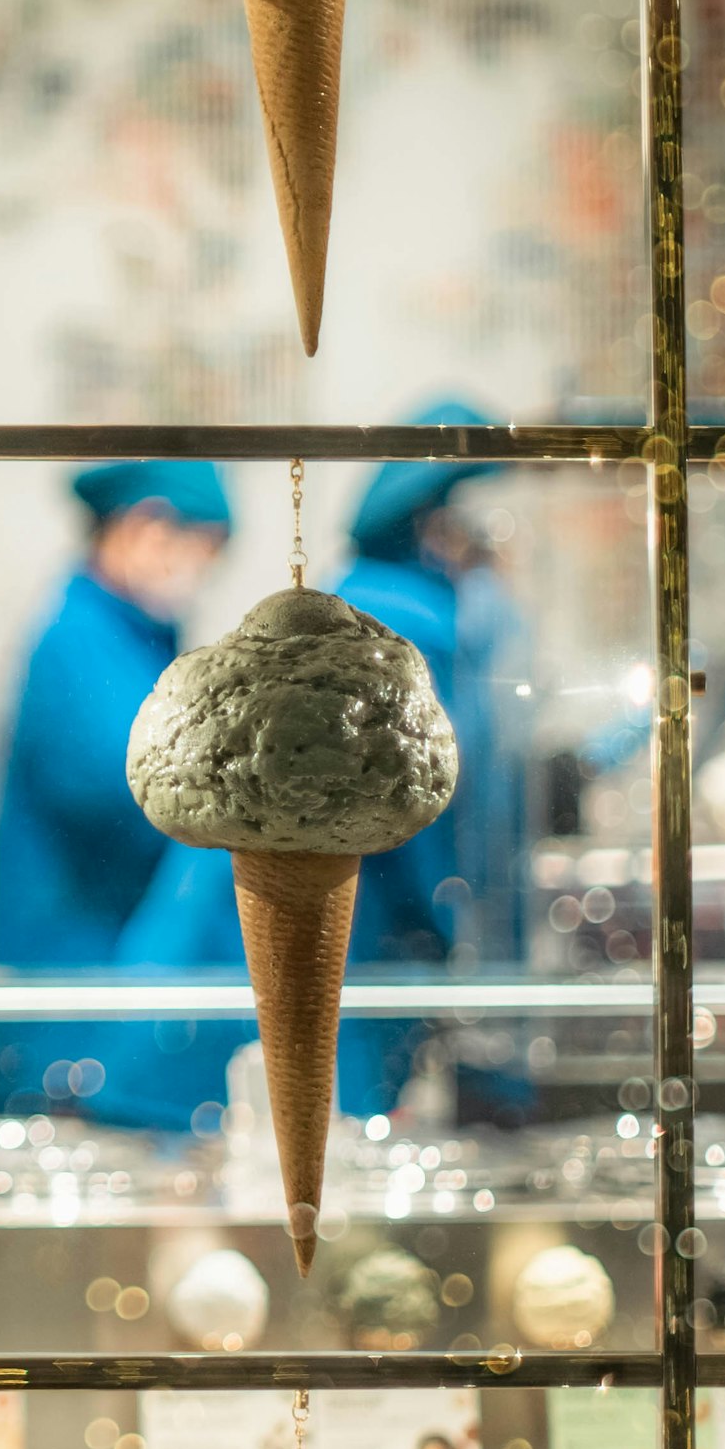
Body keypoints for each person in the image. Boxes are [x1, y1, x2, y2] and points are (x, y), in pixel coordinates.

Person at [92, 402, 541, 1132]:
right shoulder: (417, 623)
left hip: (201, 976)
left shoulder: (358, 599)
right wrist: (464, 949)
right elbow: (438, 821)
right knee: (284, 1171)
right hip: (273, 978)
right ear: (440, 527)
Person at [0, 462, 232, 1113]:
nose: (198, 571)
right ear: (144, 527)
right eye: (197, 548)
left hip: (103, 998)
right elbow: (147, 793)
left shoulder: (137, 642)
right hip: (74, 1006)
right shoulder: (79, 642)